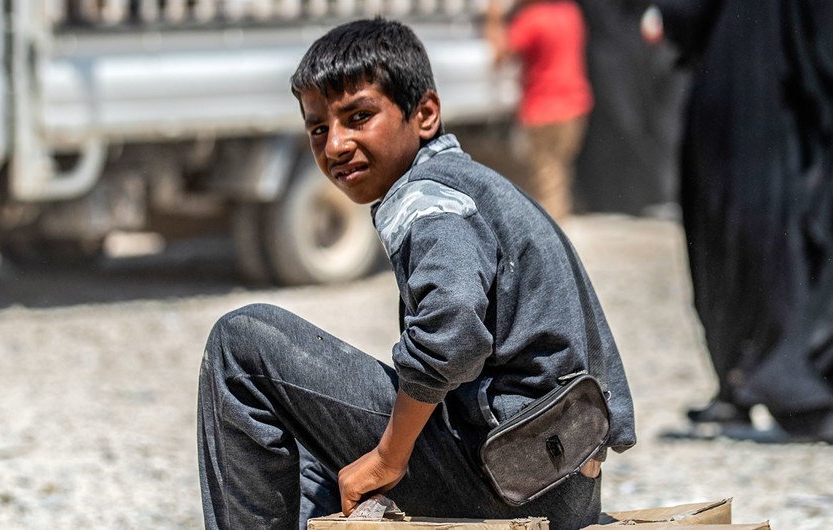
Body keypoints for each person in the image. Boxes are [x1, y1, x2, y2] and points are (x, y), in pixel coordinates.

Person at [196, 18, 636, 530]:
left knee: (241, 344)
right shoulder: (475, 188)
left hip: (505, 482)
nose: (335, 144)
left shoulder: (427, 199)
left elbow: (452, 335)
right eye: (319, 128)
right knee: (314, 438)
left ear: (424, 114)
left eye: (358, 117)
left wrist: (388, 456)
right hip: (556, 481)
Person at [644, 0, 833, 442]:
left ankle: (777, 380)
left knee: (738, 232)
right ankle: (771, 377)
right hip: (809, 89)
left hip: (746, 85)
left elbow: (682, 16)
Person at [484, 0, 593, 221]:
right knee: (559, 176)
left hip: (543, 110)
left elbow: (500, 54)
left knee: (546, 180)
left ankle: (553, 237)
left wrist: (493, 20)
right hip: (575, 106)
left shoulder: (533, 20)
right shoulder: (570, 12)